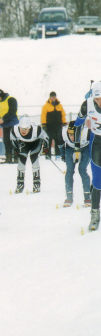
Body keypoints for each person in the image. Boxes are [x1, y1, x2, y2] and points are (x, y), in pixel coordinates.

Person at [74, 82, 101, 231]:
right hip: (96, 141)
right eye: (97, 99)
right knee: (98, 180)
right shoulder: (87, 104)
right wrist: (77, 146)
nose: (100, 102)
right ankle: (95, 215)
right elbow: (78, 124)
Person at [10, 116, 49, 194]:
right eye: (21, 129)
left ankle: (36, 183)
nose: (23, 131)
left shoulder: (37, 129)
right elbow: (13, 140)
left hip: (36, 142)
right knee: (22, 158)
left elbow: (46, 137)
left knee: (33, 157)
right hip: (24, 143)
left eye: (25, 129)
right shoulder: (14, 130)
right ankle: (20, 184)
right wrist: (16, 149)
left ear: (29, 128)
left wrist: (45, 147)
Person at [59, 121, 91, 207]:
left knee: (82, 169)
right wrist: (63, 155)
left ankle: (87, 196)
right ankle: (69, 196)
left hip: (85, 148)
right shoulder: (63, 132)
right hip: (70, 148)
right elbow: (60, 144)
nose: (73, 137)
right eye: (71, 135)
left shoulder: (87, 132)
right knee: (69, 170)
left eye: (76, 135)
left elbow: (94, 145)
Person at [0, 89, 19, 164]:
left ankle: (16, 158)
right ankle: (8, 158)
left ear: (1, 96)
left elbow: (12, 111)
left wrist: (3, 119)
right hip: (5, 125)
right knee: (6, 142)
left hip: (12, 124)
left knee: (14, 141)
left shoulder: (11, 99)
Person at [41, 91, 66, 159]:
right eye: (52, 97)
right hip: (49, 126)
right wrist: (44, 124)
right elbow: (43, 116)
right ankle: (48, 156)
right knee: (48, 140)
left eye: (54, 96)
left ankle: (58, 156)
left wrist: (64, 122)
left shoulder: (60, 106)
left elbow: (63, 115)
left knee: (58, 140)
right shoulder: (45, 106)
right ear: (50, 97)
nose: (53, 98)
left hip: (58, 126)